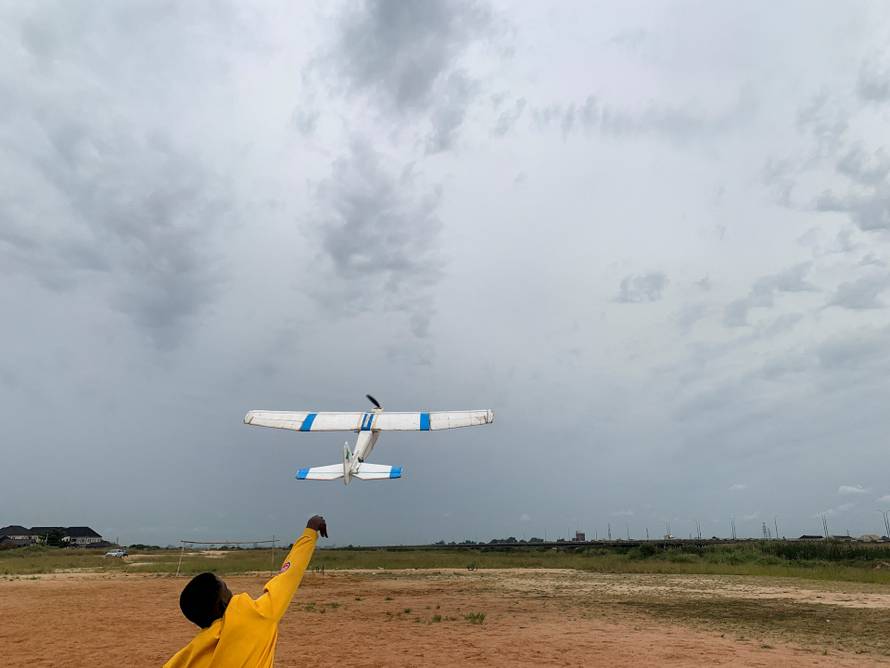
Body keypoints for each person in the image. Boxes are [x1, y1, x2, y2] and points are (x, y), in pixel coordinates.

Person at [164, 515, 328, 668]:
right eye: (226, 589)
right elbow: (289, 575)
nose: (232, 592)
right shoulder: (257, 617)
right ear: (222, 604)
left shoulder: (190, 655)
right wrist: (310, 531)